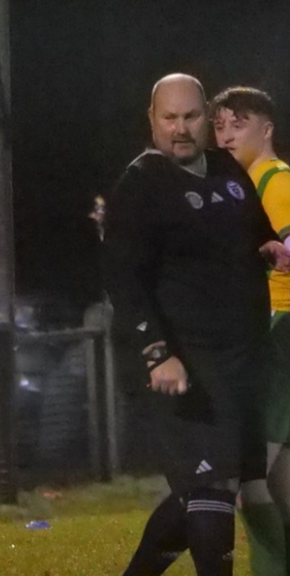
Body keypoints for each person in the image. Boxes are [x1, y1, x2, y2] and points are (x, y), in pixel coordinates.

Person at [103, 73, 290, 576]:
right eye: (170, 118)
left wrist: (271, 247)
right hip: (186, 366)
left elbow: (254, 230)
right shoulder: (140, 185)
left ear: (206, 118)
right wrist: (157, 353)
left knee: (206, 493)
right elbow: (124, 281)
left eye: (190, 117)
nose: (180, 129)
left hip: (240, 362)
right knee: (211, 493)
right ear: (152, 120)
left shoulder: (227, 169)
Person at [213, 85, 290, 575]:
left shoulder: (275, 182)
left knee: (248, 473)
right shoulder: (245, 187)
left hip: (279, 330)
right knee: (275, 473)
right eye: (218, 126)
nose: (225, 136)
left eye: (237, 124)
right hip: (268, 330)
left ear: (266, 129)